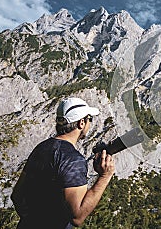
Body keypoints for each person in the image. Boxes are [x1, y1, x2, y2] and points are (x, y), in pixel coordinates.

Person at [11, 97, 115, 229]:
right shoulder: (72, 159)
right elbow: (77, 217)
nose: (90, 123)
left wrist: (33, 220)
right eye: (90, 119)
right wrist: (104, 176)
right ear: (81, 123)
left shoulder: (42, 148)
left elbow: (17, 195)